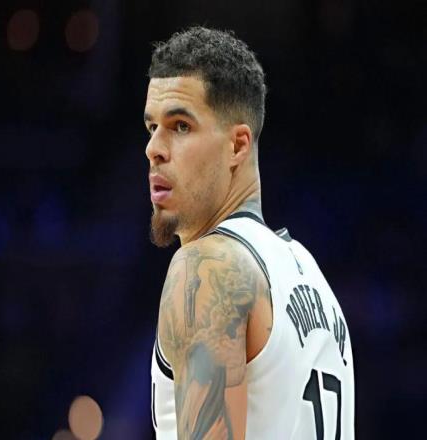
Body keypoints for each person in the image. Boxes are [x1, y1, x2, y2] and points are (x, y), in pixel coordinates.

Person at [144, 26, 354, 439]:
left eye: (180, 126)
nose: (154, 149)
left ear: (238, 145)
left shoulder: (208, 268)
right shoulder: (311, 276)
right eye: (152, 127)